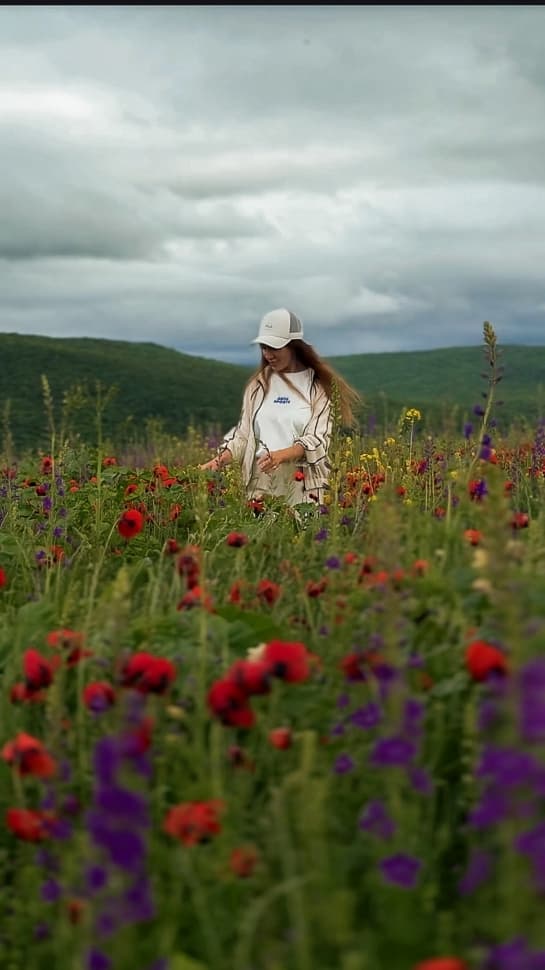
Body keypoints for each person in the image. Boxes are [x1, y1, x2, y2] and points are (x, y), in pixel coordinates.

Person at [198, 308, 360, 506]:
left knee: (297, 536)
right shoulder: (259, 385)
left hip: (301, 485)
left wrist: (281, 456)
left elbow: (317, 439)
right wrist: (217, 462)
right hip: (259, 484)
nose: (268, 355)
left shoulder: (317, 388)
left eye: (274, 348)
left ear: (294, 346)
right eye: (264, 348)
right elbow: (243, 436)